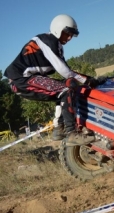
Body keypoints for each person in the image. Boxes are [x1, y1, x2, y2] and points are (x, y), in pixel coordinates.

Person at [4, 14, 106, 146]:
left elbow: (68, 74)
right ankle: (72, 133)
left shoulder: (55, 44)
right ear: (58, 29)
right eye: (67, 33)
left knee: (69, 84)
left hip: (26, 78)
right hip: (21, 79)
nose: (69, 38)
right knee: (65, 90)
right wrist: (89, 80)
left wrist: (87, 79)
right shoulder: (48, 41)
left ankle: (59, 127)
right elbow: (65, 71)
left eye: (72, 35)